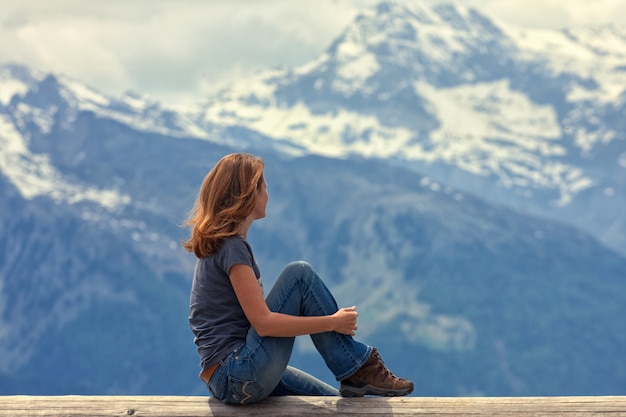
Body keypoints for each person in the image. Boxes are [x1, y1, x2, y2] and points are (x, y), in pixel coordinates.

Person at [182, 153, 413, 404]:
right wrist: (332, 323)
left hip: (228, 377)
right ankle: (358, 368)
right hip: (238, 372)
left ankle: (357, 371)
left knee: (335, 403)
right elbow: (264, 324)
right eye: (264, 187)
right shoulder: (232, 247)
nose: (267, 195)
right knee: (299, 276)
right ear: (248, 194)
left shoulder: (222, 245)